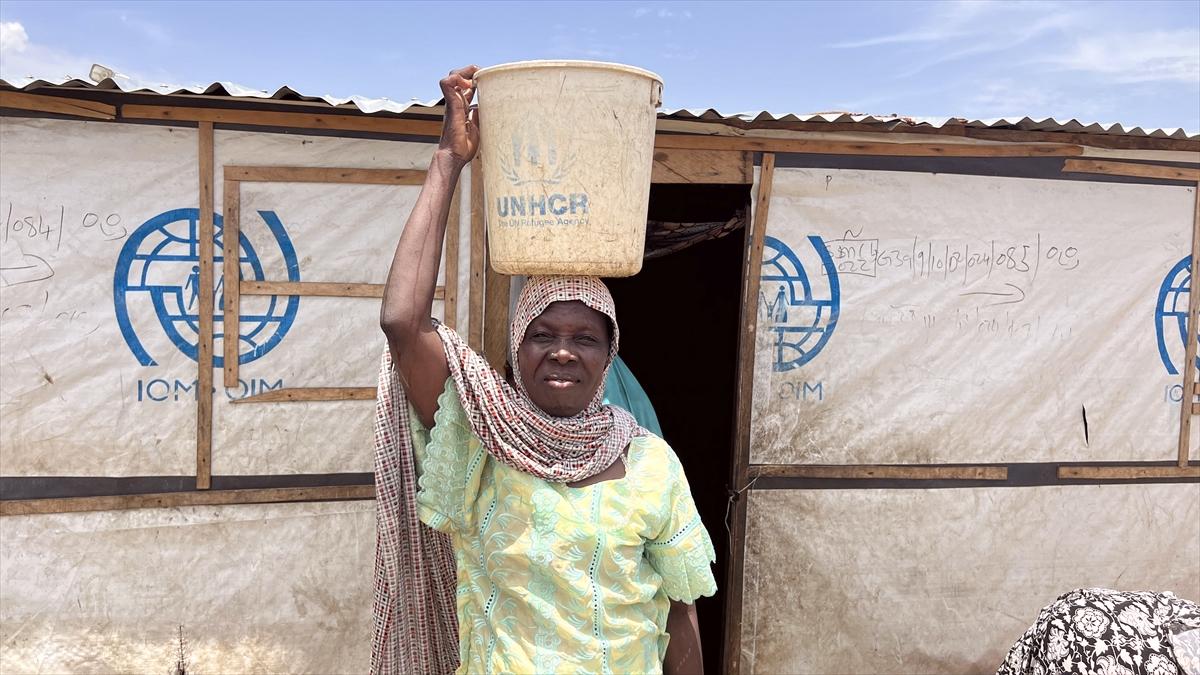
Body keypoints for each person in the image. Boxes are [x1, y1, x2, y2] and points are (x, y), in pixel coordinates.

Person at [373, 65, 716, 675]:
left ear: (609, 356)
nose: (562, 351)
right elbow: (404, 322)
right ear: (515, 349)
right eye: (542, 335)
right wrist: (450, 160)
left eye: (585, 338)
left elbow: (680, 613)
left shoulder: (651, 463)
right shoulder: (481, 437)